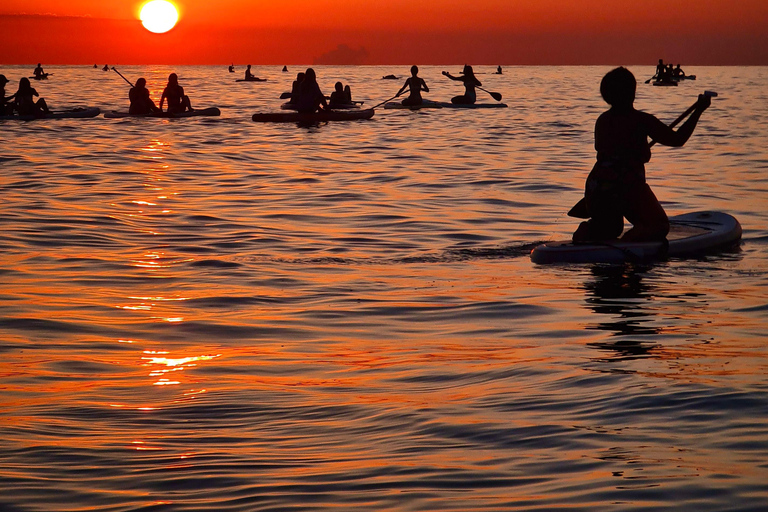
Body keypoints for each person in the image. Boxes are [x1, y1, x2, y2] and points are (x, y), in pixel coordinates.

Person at [571, 67, 711, 243]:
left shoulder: (602, 121)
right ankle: (627, 243)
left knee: (612, 228)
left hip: (597, 186)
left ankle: (587, 231)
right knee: (659, 226)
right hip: (627, 186)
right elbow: (677, 139)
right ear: (632, 93)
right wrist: (698, 111)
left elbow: (610, 149)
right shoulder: (642, 121)